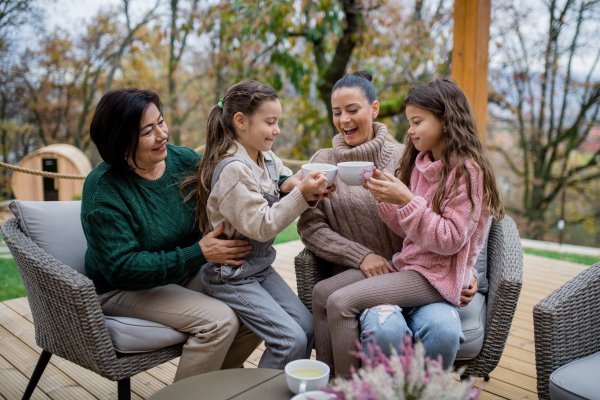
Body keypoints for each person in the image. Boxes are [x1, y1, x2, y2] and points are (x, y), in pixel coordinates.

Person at [81, 88, 294, 382]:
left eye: (161, 122)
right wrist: (199, 253)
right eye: (147, 131)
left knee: (253, 309)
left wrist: (285, 182)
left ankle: (218, 385)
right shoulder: (103, 190)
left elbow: (244, 175)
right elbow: (122, 269)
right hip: (123, 288)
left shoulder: (182, 161)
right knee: (219, 321)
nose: (162, 134)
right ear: (120, 141)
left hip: (184, 271)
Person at [297, 72, 483, 378]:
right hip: (386, 270)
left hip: (412, 271)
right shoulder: (323, 162)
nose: (344, 119)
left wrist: (467, 270)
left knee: (347, 304)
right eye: (336, 112)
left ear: (374, 109)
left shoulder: (409, 157)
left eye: (353, 109)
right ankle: (331, 382)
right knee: (325, 294)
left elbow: (462, 228)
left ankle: (360, 392)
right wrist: (361, 251)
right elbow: (310, 228)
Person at [181, 80, 332, 370]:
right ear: (241, 121)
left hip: (259, 267)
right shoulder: (233, 170)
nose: (277, 130)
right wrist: (301, 194)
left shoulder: (266, 158)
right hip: (231, 274)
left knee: (307, 328)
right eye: (270, 122)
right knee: (289, 341)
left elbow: (282, 180)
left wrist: (304, 187)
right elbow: (263, 225)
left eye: (278, 122)